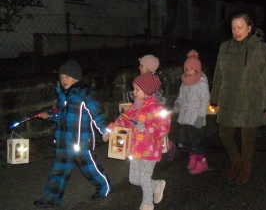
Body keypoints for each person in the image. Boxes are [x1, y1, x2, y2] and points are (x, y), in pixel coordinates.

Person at [34, 60, 113, 208]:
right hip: (64, 141)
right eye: (61, 76)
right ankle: (51, 199)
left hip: (81, 142)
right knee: (58, 172)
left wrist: (105, 130)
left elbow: (97, 114)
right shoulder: (63, 95)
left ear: (76, 78)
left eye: (67, 76)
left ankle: (105, 187)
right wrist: (50, 115)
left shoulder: (85, 94)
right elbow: (62, 115)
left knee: (90, 169)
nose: (63, 80)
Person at [210, 12, 266, 185]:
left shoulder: (261, 48)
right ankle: (236, 160)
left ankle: (245, 164)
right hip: (228, 99)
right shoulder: (225, 47)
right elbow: (218, 74)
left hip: (251, 101)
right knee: (224, 135)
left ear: (249, 28)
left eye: (240, 27)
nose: (236, 31)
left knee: (248, 138)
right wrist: (214, 100)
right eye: (233, 28)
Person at [105, 73, 170, 210]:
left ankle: (147, 203)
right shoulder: (133, 108)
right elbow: (122, 121)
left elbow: (164, 127)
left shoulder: (157, 108)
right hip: (135, 149)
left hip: (150, 150)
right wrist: (110, 131)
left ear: (147, 91)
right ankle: (156, 185)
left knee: (144, 178)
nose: (133, 92)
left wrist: (146, 128)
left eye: (137, 90)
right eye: (134, 89)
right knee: (134, 179)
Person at [173, 50, 210, 174]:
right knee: (186, 141)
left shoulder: (201, 83)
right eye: (186, 69)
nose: (188, 71)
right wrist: (177, 104)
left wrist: (200, 117)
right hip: (185, 117)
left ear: (197, 70)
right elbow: (180, 96)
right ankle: (192, 158)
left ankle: (202, 162)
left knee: (197, 142)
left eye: (191, 69)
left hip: (195, 118)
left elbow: (205, 100)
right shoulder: (184, 83)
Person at [138, 54, 177, 161]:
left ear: (149, 68)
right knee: (145, 131)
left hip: (154, 111)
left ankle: (169, 145)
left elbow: (158, 96)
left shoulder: (154, 81)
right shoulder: (140, 79)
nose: (139, 68)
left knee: (156, 131)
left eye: (142, 66)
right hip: (144, 110)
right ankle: (147, 150)